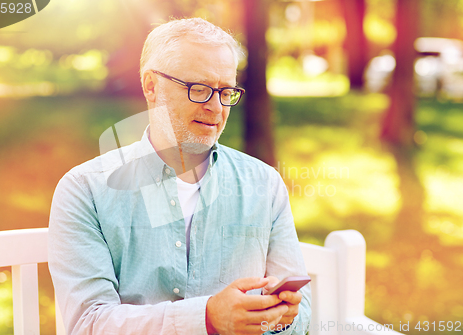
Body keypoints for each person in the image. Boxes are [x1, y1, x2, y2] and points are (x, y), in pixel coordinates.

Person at [48, 17, 311, 335]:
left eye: (225, 91)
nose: (216, 107)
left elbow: (301, 313)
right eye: (199, 89)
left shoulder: (265, 185)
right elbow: (88, 324)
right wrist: (207, 318)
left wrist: (280, 317)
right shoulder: (84, 190)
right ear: (151, 86)